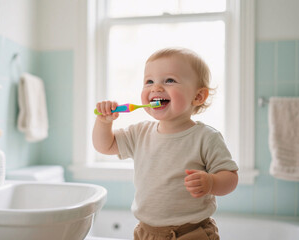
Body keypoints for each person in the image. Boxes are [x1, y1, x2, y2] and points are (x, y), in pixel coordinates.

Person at [92, 47, 239, 240]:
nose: (156, 88)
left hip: (192, 232)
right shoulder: (139, 132)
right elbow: (105, 146)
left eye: (169, 80)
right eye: (149, 81)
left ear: (198, 96)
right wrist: (104, 122)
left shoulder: (206, 137)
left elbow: (230, 177)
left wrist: (212, 183)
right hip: (147, 232)